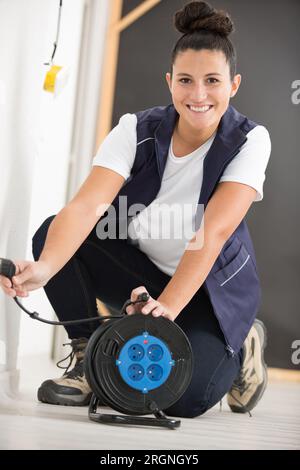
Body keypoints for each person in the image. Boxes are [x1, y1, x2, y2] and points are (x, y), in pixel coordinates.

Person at [0, 1, 270, 418]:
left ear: (234, 85)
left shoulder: (250, 140)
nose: (198, 95)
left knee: (183, 399)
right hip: (145, 276)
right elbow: (87, 205)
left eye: (212, 80)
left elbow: (212, 232)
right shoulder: (136, 129)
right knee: (52, 233)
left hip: (208, 296)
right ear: (169, 82)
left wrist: (168, 311)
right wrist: (45, 268)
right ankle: (89, 356)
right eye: (186, 80)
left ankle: (243, 343)